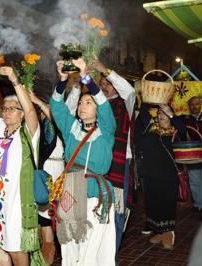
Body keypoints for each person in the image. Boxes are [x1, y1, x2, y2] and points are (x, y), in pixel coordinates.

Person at [0, 66, 44, 266]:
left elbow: (30, 108)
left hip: (16, 203)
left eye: (13, 108)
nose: (6, 112)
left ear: (22, 114)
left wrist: (14, 78)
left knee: (16, 250)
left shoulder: (29, 133)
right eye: (4, 109)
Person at [50, 58, 116, 266]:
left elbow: (105, 107)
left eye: (88, 103)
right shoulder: (71, 129)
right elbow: (56, 106)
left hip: (96, 193)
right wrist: (63, 79)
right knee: (70, 244)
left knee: (92, 245)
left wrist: (85, 77)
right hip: (71, 189)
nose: (82, 105)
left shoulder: (106, 130)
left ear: (97, 109)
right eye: (80, 102)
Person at [90, 60, 135, 258]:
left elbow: (129, 90)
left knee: (115, 214)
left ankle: (110, 260)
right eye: (102, 83)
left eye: (108, 82)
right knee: (93, 212)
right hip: (95, 164)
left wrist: (104, 71)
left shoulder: (126, 102)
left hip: (118, 164)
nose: (105, 85)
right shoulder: (94, 105)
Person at [134, 103, 186, 250]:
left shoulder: (176, 132)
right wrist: (147, 102)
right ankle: (159, 231)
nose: (161, 114)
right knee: (152, 204)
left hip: (168, 177)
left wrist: (171, 114)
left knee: (166, 204)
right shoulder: (150, 129)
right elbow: (143, 116)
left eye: (164, 113)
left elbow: (183, 129)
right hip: (150, 175)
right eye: (159, 112)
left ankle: (168, 233)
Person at [29, 92, 65, 265]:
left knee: (47, 216)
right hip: (49, 170)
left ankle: (47, 257)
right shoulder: (42, 127)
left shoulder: (53, 126)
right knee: (45, 216)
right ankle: (46, 255)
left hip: (52, 172)